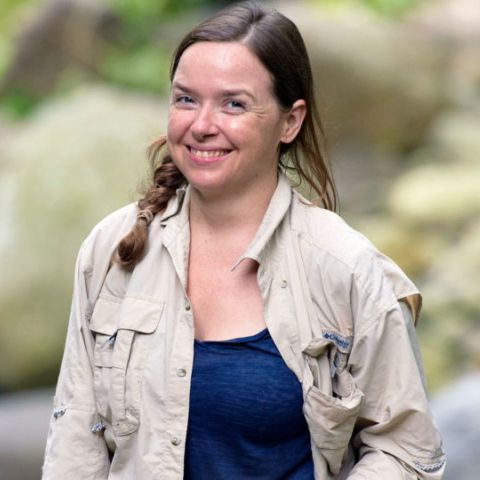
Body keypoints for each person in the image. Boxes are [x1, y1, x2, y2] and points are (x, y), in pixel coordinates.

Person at [42, 1, 445, 479]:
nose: (201, 125)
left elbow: (406, 450)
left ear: (290, 121)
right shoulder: (115, 247)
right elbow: (75, 442)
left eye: (233, 104)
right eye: (186, 99)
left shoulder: (347, 268)